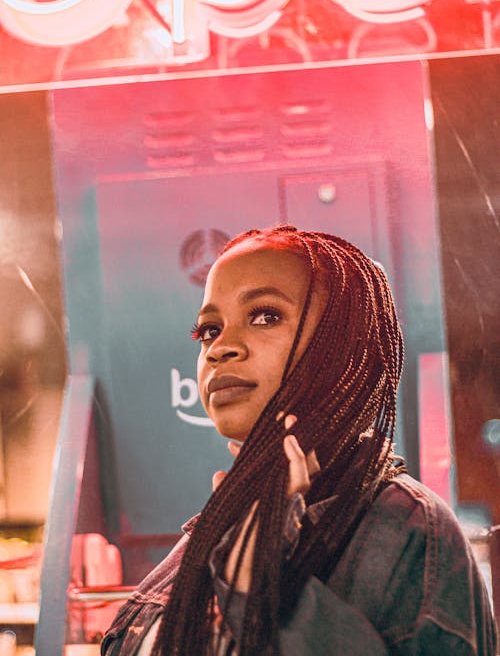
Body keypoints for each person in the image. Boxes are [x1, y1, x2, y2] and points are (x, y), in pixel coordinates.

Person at [102, 225, 497, 655]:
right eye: (209, 330)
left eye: (265, 315)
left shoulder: (409, 533)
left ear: (347, 346)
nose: (220, 349)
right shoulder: (213, 535)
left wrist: (264, 593)